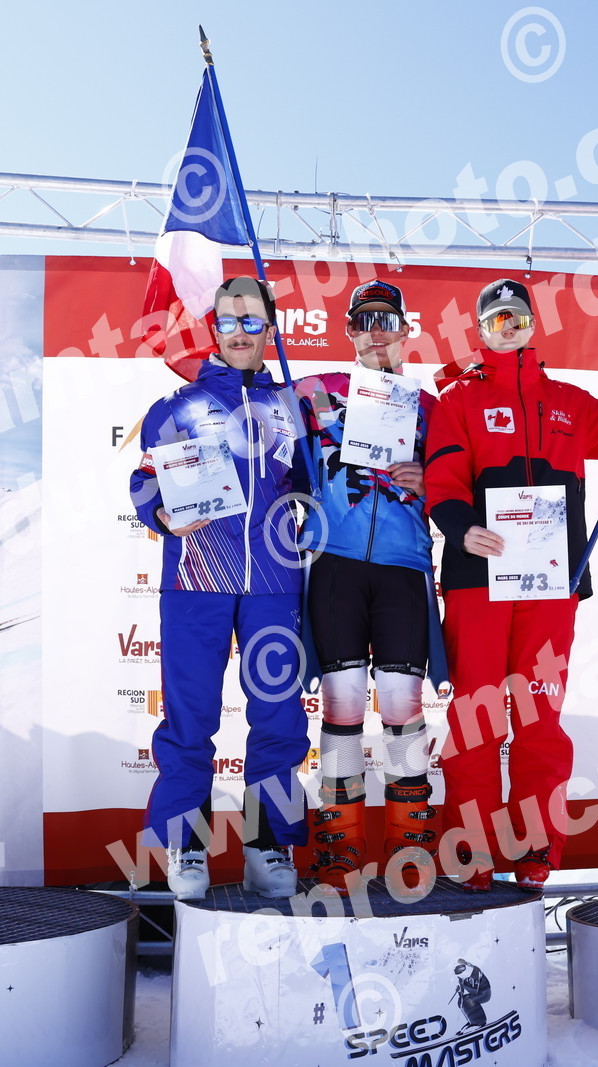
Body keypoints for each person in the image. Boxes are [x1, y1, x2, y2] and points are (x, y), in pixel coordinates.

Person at [424, 277, 598, 890]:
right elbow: (443, 480)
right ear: (481, 330)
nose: (508, 328)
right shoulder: (458, 401)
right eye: (497, 320)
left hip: (550, 585)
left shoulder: (570, 402)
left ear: (532, 325)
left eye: (517, 318)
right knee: (476, 720)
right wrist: (461, 530)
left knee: (539, 719)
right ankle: (470, 851)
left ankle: (535, 847)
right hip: (478, 582)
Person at [129, 276, 310, 900]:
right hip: (196, 580)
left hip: (274, 582)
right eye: (228, 320)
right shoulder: (175, 407)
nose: (239, 331)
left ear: (270, 330)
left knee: (279, 717)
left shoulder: (292, 406)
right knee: (190, 719)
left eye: (252, 320)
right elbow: (144, 481)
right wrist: (159, 513)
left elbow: (316, 478)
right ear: (214, 329)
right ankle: (186, 845)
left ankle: (268, 844)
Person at [294, 280, 443, 894]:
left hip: (404, 564)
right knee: (342, 709)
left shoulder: (431, 405)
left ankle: (410, 842)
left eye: (387, 320)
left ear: (406, 330)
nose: (376, 332)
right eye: (365, 321)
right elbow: (261, 442)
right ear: (349, 330)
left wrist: (430, 481)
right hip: (336, 562)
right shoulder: (314, 391)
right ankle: (340, 847)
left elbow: (462, 483)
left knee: (404, 709)